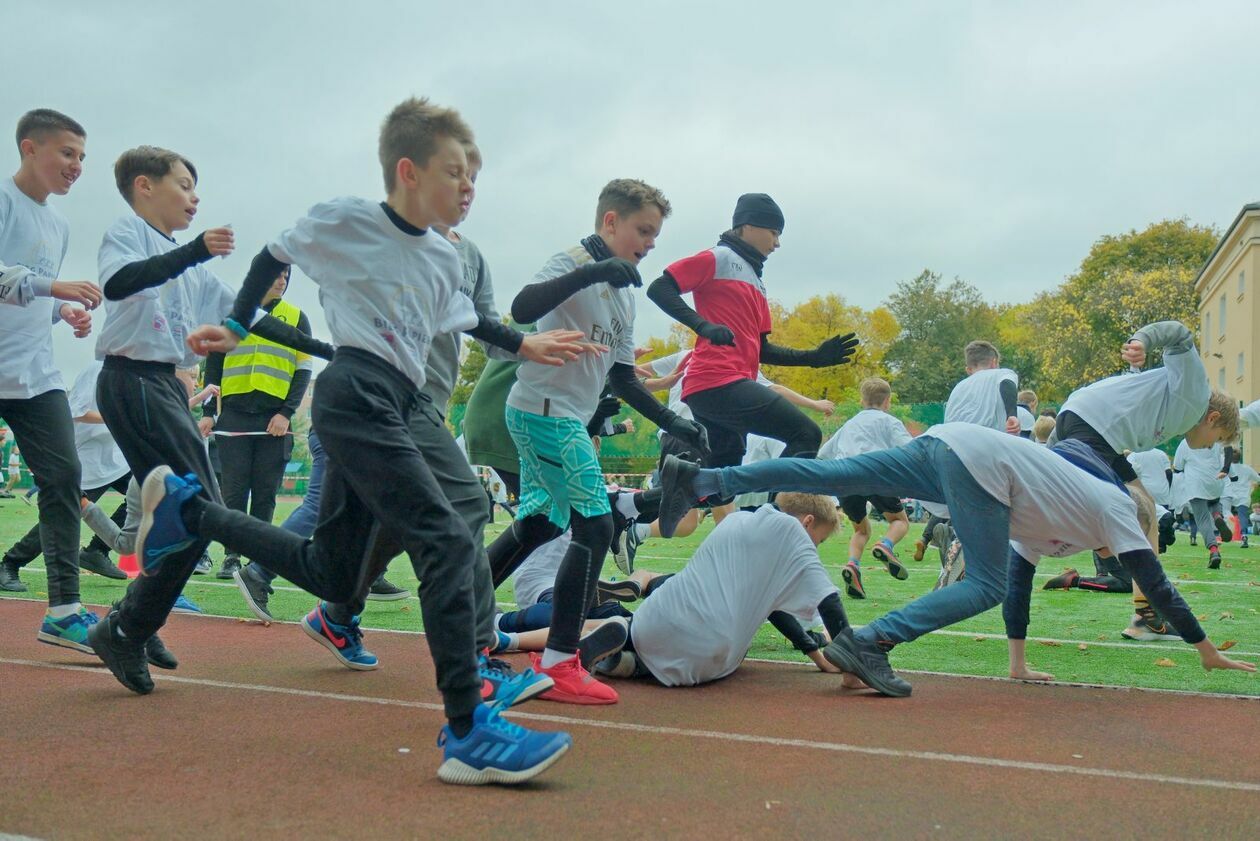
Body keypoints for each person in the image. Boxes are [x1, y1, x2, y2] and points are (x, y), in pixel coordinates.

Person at [133, 99, 572, 785]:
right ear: (407, 170)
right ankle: (468, 730)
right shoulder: (347, 220)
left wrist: (528, 342)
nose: (469, 188)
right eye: (455, 172)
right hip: (355, 391)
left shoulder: (443, 260)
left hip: (402, 401)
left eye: (475, 176)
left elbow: (473, 321)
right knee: (449, 534)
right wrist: (239, 325)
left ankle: (187, 512)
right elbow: (273, 254)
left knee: (334, 572)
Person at [654, 425, 1255, 696]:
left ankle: (705, 480)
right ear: (1139, 531)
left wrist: (1016, 664)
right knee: (983, 583)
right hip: (978, 463)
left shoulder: (1066, 525)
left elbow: (1017, 582)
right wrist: (1205, 652)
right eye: (1134, 550)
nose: (1124, 562)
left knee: (831, 475)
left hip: (949, 444)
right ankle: (872, 640)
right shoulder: (1116, 509)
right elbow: (1159, 585)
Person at [485, 177, 710, 705]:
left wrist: (672, 422)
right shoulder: (571, 263)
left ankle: (462, 613)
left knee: (543, 523)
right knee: (596, 525)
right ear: (610, 222)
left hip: (559, 416)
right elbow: (521, 307)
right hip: (546, 416)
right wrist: (594, 268)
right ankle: (561, 661)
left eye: (656, 234)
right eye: (643, 230)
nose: (651, 243)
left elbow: (625, 377)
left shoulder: (623, 298)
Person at [646, 193, 858, 486]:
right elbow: (660, 288)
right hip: (717, 381)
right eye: (773, 232)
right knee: (806, 434)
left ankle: (663, 492)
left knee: (723, 479)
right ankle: (779, 510)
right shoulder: (718, 257)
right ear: (748, 226)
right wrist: (703, 326)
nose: (777, 243)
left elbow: (763, 350)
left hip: (714, 388)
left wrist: (813, 358)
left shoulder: (757, 281)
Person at [1050, 320, 1238, 638]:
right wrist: (1141, 341)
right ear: (1213, 418)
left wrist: (1049, 452)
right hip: (1090, 427)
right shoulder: (1196, 393)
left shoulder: (1183, 414)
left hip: (1081, 422)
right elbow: (1179, 334)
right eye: (1216, 439)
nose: (1210, 447)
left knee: (1140, 508)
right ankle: (1145, 613)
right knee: (1131, 514)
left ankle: (1145, 614)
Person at [0, 108, 102, 650]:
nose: (76, 166)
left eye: (82, 157)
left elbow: (30, 294)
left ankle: (64, 610)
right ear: (29, 148)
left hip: (34, 376)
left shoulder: (58, 224)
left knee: (63, 478)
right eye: (67, 153)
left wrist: (62, 313)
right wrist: (55, 291)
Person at [595, 493, 853, 687]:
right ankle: (631, 665)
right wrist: (839, 663)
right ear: (807, 522)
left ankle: (618, 632)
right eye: (819, 540)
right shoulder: (791, 534)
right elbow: (824, 602)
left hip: (655, 621)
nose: (815, 549)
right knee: (732, 646)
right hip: (710, 655)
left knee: (652, 609)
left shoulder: (736, 520)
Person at [203, 263, 313, 580]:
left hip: (275, 418)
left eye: (286, 277)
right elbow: (214, 365)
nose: (282, 281)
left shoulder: (296, 317)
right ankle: (231, 555)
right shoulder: (231, 314)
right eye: (276, 274)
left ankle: (257, 558)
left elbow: (304, 370)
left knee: (265, 492)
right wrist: (209, 412)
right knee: (234, 489)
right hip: (234, 413)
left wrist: (286, 413)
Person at [1, 360, 130, 591]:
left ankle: (97, 550)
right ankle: (10, 563)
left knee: (145, 494)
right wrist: (117, 418)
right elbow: (77, 411)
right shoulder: (96, 370)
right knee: (63, 511)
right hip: (91, 457)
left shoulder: (134, 374)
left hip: (116, 457)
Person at [817, 377, 913, 599]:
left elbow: (824, 454)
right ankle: (886, 545)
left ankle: (853, 564)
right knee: (899, 521)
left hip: (845, 477)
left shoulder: (850, 424)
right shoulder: (889, 422)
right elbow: (909, 449)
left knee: (861, 529)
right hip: (875, 473)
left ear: (861, 400)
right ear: (887, 401)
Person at [1220, 446, 1256, 550]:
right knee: (1243, 517)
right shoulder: (1247, 468)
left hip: (1228, 494)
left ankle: (1223, 530)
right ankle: (1244, 536)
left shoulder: (1226, 467)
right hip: (1243, 497)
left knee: (1224, 512)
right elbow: (1258, 478)